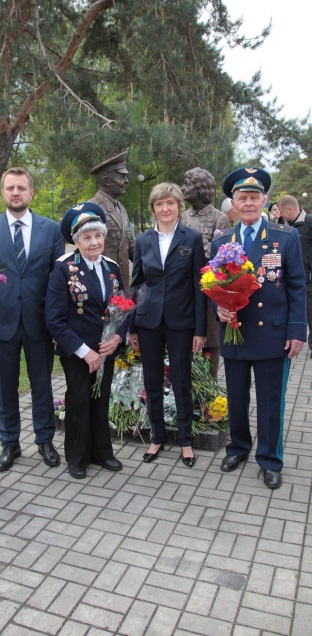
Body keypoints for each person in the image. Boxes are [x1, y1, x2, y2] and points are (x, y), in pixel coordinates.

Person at [212, 167, 307, 489]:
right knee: (236, 398)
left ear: (265, 200)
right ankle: (238, 448)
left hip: (273, 335)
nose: (249, 203)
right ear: (234, 204)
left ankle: (269, 459)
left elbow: (297, 286)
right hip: (236, 333)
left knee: (270, 401)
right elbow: (212, 286)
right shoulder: (222, 241)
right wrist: (219, 309)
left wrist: (297, 331)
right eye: (243, 198)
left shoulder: (285, 238)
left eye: (254, 197)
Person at [0, 167, 64, 472]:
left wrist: (56, 324)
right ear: (3, 193)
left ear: (31, 193)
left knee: (42, 385)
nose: (15, 193)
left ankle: (45, 440)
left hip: (40, 323)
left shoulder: (51, 229)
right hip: (1, 323)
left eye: (21, 188)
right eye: (10, 188)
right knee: (5, 387)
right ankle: (9, 443)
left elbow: (58, 280)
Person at [45, 203, 127, 479]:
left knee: (101, 399)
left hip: (106, 349)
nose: (94, 242)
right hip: (78, 351)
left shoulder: (112, 268)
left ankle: (102, 452)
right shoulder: (65, 269)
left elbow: (124, 307)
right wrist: (85, 352)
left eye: (98, 236)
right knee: (79, 400)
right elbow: (54, 319)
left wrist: (117, 338)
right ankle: (77, 456)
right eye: (87, 237)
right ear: (76, 241)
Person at [128, 183, 207, 466]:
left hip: (181, 321)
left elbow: (201, 287)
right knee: (152, 380)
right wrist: (132, 327)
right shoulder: (142, 241)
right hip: (148, 321)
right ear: (153, 208)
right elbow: (136, 285)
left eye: (170, 203)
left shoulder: (193, 239)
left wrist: (200, 330)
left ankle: (186, 440)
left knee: (181, 380)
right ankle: (157, 436)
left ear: (178, 207)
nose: (165, 209)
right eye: (160, 204)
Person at [181, 167, 230, 378]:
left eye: (187, 185)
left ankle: (211, 403)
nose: (183, 188)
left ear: (200, 189)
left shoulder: (220, 219)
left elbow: (221, 258)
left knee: (210, 346)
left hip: (210, 294)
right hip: (185, 293)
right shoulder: (181, 217)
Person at [89, 151, 135, 296]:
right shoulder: (91, 209)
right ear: (106, 180)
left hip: (123, 290)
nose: (126, 180)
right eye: (121, 176)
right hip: (100, 290)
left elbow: (130, 247)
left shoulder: (121, 209)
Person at [278, 194, 312, 358]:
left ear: (290, 209)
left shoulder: (309, 223)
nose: (281, 216)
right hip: (291, 278)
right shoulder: (285, 228)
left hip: (309, 278)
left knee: (311, 313)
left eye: (283, 212)